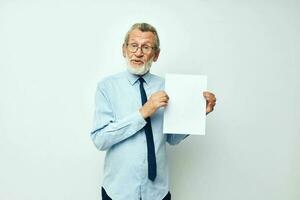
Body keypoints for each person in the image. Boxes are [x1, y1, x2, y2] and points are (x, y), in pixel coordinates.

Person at [90, 23, 217, 200]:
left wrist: (197, 114)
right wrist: (143, 112)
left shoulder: (168, 87)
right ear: (124, 50)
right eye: (133, 45)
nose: (138, 52)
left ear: (156, 54)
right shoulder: (107, 87)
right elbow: (100, 139)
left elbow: (172, 139)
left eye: (146, 47)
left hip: (157, 192)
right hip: (118, 191)